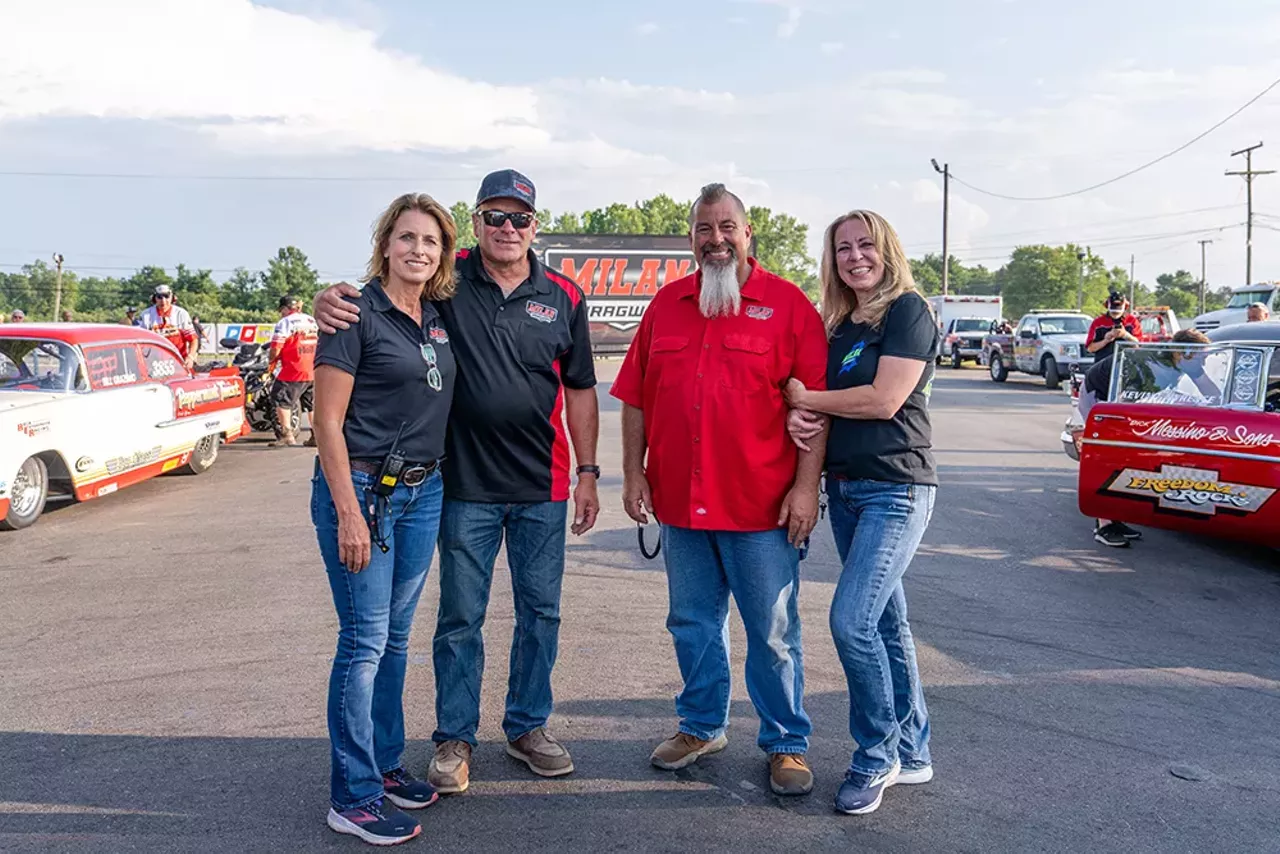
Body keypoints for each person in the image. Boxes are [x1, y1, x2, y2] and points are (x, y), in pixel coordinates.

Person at [313, 169, 600, 793]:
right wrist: (325, 301)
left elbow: (580, 390)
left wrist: (588, 472)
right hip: (462, 484)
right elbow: (385, 298)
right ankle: (454, 737)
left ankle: (527, 726)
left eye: (519, 218)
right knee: (460, 617)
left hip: (543, 485)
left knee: (540, 613)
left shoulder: (565, 296)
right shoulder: (448, 281)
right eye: (494, 216)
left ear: (534, 225)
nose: (506, 228)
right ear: (475, 223)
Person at [611, 183, 828, 796]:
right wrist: (633, 473)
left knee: (773, 631)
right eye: (705, 229)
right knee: (692, 623)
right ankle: (701, 725)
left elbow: (816, 410)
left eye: (727, 227)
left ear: (747, 232)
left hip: (762, 507)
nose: (716, 240)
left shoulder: (787, 307)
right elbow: (635, 398)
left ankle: (786, 742)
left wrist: (806, 490)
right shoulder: (666, 305)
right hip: (682, 505)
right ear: (692, 239)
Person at [311, 193, 459, 846]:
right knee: (364, 643)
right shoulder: (353, 312)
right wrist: (348, 512)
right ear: (386, 243)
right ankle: (354, 795)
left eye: (430, 241)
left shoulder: (434, 314)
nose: (418, 250)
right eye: (407, 237)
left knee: (396, 639)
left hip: (423, 493)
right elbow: (325, 422)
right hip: (364, 493)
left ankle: (384, 762)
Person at [784, 210, 939, 816]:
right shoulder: (841, 324)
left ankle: (877, 755)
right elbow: (828, 410)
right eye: (842, 248)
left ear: (887, 249)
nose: (854, 256)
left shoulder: (908, 311)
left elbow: (883, 399)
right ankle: (915, 750)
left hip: (896, 489)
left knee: (851, 623)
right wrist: (805, 415)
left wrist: (806, 398)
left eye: (865, 244)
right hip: (848, 491)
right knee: (886, 625)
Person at [1081, 328, 1212, 547]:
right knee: (1110, 457)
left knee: (1131, 458)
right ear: (1183, 353)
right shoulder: (1148, 363)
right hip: (1100, 397)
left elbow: (1210, 392)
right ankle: (1103, 524)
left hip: (1126, 398)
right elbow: (1124, 403)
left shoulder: (1184, 361)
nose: (1204, 364)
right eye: (1202, 357)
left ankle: (1116, 518)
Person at [268, 294, 320, 447]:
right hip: (313, 367)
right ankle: (316, 436)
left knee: (280, 399)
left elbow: (276, 347)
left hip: (293, 368)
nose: (281, 313)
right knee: (311, 404)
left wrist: (271, 361)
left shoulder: (284, 322)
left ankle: (287, 435)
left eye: (281, 310)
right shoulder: (311, 320)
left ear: (285, 309)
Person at [137, 285, 198, 371]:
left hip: (179, 363)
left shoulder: (181, 314)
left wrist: (190, 357)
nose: (163, 301)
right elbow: (138, 341)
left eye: (166, 296)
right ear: (154, 299)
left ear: (172, 297)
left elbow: (193, 340)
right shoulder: (146, 315)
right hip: (153, 365)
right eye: (159, 297)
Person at [1086, 291, 1140, 362]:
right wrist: (1106, 340)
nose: (1115, 314)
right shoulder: (1098, 323)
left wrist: (1125, 335)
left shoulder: (1132, 321)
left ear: (1125, 306)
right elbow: (1090, 348)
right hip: (1102, 364)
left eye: (1118, 311)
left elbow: (1139, 346)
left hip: (1126, 363)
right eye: (1113, 311)